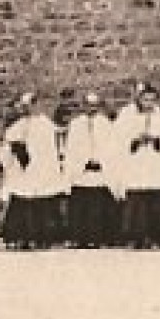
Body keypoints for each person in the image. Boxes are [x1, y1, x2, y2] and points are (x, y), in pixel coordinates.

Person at [117, 84, 160, 248]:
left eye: (152, 100)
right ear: (139, 100)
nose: (148, 103)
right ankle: (136, 237)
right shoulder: (128, 119)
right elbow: (118, 142)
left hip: (157, 165)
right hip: (137, 164)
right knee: (137, 198)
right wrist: (134, 141)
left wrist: (157, 141)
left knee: (159, 198)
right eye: (145, 100)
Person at [1, 93, 66, 250]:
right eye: (26, 106)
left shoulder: (46, 125)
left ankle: (43, 238)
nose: (30, 109)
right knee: (22, 199)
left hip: (42, 169)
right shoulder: (18, 125)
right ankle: (20, 238)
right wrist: (16, 150)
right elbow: (7, 143)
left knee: (43, 201)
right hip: (22, 171)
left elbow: (51, 149)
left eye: (33, 105)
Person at [63, 92, 122, 247]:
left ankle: (99, 237)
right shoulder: (76, 124)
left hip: (100, 171)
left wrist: (100, 161)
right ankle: (80, 237)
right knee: (81, 205)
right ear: (83, 106)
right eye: (88, 104)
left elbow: (111, 148)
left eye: (94, 105)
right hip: (81, 172)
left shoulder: (106, 124)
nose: (91, 108)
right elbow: (72, 147)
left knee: (98, 206)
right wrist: (80, 162)